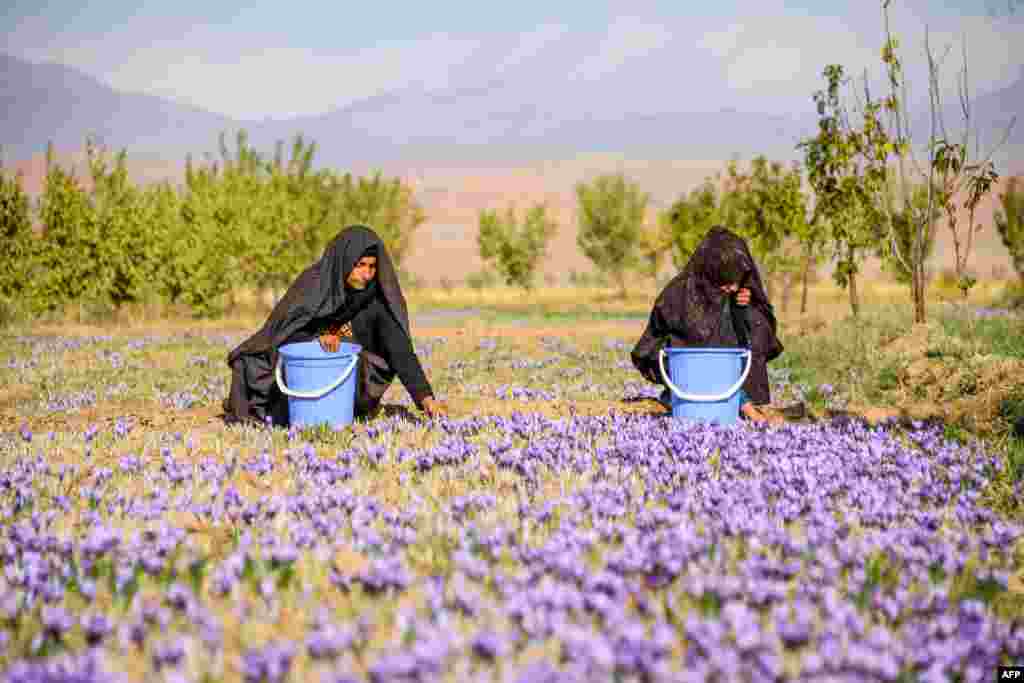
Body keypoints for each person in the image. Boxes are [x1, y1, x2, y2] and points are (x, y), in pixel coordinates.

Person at [223, 225, 447, 426]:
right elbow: (283, 330)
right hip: (300, 368)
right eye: (360, 265)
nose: (367, 274)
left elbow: (400, 350)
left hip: (349, 379)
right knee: (249, 362)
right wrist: (316, 339)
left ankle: (345, 410)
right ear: (345, 260)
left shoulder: (374, 300)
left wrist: (425, 398)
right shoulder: (313, 284)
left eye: (372, 267)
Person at [631, 226, 784, 423]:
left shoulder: (741, 294)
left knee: (755, 322)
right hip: (689, 382)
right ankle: (734, 405)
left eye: (738, 281)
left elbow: (760, 335)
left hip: (732, 382)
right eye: (727, 281)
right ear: (711, 272)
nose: (735, 287)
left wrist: (745, 309)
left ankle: (741, 403)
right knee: (697, 357)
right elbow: (655, 346)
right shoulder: (679, 294)